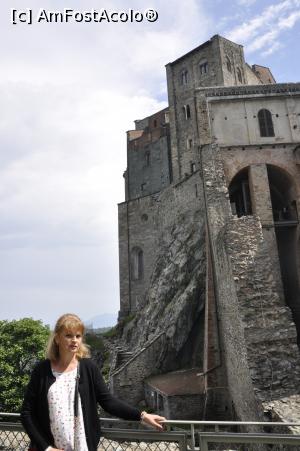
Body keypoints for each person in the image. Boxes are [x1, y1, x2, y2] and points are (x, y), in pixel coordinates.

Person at [21, 313, 165, 451]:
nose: (74, 340)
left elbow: (108, 402)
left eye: (78, 336)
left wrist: (142, 416)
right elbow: (27, 413)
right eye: (68, 335)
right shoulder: (42, 371)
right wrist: (46, 447)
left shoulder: (88, 368)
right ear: (57, 339)